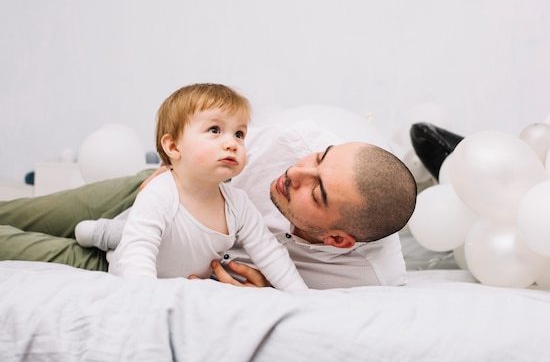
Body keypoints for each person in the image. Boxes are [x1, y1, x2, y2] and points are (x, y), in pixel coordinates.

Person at [0, 103, 418, 290]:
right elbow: (212, 142)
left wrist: (267, 293)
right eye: (318, 159)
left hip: (154, 261)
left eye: (318, 191)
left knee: (8, 243)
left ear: (339, 240)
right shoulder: (295, 140)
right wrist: (168, 170)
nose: (295, 173)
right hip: (157, 191)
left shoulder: (369, 278)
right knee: (20, 212)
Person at [72, 83, 307, 292]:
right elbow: (139, 252)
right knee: (132, 240)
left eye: (239, 134)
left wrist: (300, 294)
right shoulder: (160, 192)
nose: (232, 144)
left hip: (177, 261)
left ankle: (111, 231)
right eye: (215, 130)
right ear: (173, 147)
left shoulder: (238, 203)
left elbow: (269, 251)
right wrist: (144, 298)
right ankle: (102, 233)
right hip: (132, 262)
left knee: (150, 231)